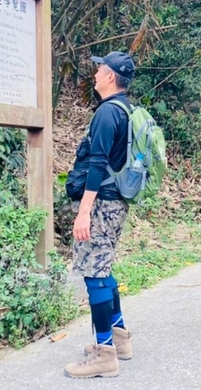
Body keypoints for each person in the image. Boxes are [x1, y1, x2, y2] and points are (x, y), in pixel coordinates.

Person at [64, 51, 137, 379]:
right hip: (116, 201)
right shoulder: (126, 110)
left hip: (102, 203)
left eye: (99, 69)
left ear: (111, 76)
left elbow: (97, 165)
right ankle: (119, 339)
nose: (95, 73)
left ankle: (104, 354)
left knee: (94, 273)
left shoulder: (108, 113)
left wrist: (84, 212)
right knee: (103, 269)